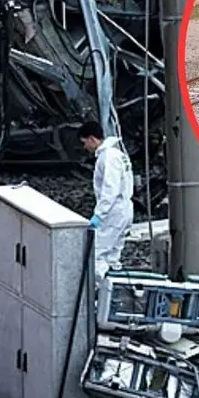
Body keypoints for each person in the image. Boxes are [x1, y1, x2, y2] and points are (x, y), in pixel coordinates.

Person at [78, 120, 135, 281]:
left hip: (113, 211)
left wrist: (99, 215)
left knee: (96, 254)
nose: (85, 148)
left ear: (92, 139)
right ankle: (114, 294)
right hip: (124, 209)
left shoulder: (108, 157)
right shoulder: (117, 154)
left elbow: (110, 189)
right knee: (113, 256)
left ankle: (97, 295)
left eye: (84, 143)